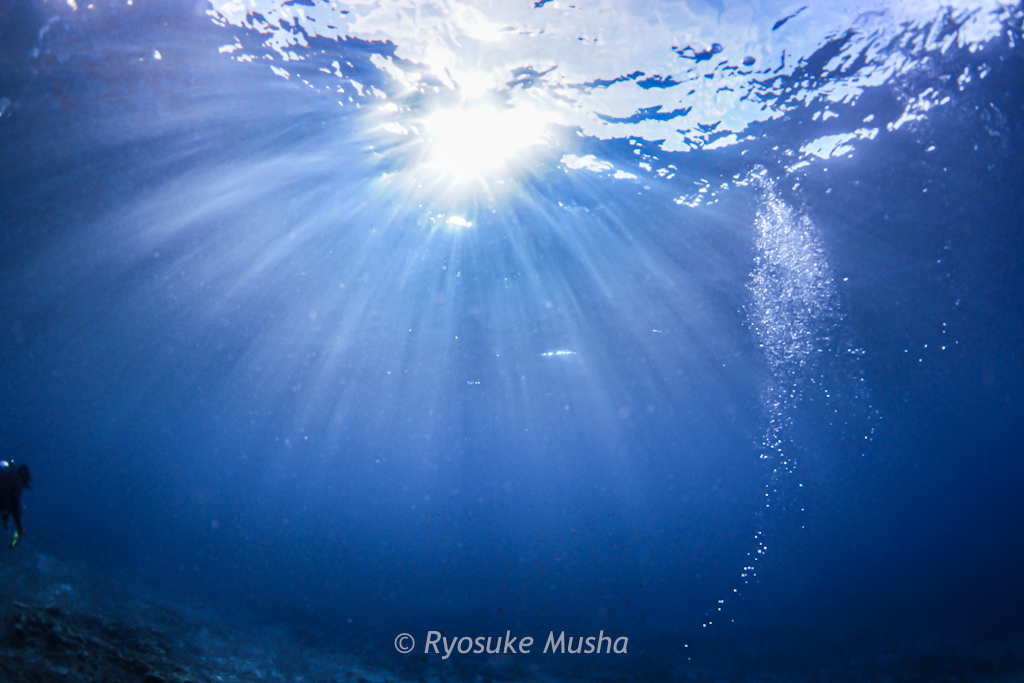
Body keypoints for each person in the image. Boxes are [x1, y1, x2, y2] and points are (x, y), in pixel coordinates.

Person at [0, 460, 32, 549]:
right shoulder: (15, 483)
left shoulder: (11, 480)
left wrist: (5, 518)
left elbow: (6, 500)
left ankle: (12, 544)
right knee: (19, 529)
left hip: (6, 504)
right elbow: (10, 501)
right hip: (8, 504)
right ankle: (12, 545)